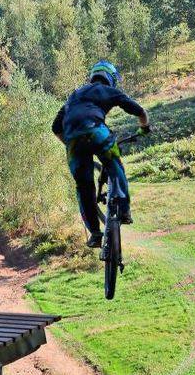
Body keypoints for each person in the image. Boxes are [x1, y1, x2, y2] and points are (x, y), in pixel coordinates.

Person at [52, 60, 150, 248]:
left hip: (73, 142)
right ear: (111, 78)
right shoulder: (108, 91)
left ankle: (95, 234)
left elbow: (56, 127)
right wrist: (144, 127)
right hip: (96, 131)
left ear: (93, 76)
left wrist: (71, 143)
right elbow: (139, 110)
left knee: (84, 187)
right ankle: (124, 210)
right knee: (115, 165)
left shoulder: (73, 96)